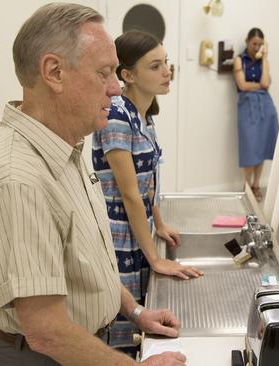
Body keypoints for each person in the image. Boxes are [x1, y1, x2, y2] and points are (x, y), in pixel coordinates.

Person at [0, 4, 186, 365]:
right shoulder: (19, 180)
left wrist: (136, 312)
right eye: (104, 73)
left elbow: (88, 265)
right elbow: (47, 331)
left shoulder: (65, 147)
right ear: (54, 72)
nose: (116, 87)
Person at [92, 29, 203, 356]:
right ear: (127, 75)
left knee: (144, 322)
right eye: (155, 66)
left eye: (166, 62)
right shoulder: (115, 115)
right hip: (119, 237)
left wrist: (160, 221)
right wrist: (155, 258)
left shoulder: (144, 115)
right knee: (123, 336)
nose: (167, 71)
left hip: (139, 227)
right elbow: (128, 194)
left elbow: (147, 181)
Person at [233, 27, 279, 201]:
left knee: (262, 146)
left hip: (265, 106)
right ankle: (246, 186)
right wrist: (258, 85)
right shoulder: (239, 60)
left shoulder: (263, 61)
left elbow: (266, 83)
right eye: (254, 43)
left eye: (260, 44)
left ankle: (256, 184)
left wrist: (265, 58)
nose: (256, 47)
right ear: (247, 41)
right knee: (249, 146)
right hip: (247, 105)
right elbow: (242, 85)